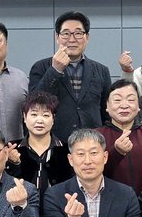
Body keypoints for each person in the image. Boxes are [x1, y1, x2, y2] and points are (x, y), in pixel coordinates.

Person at [28, 11, 111, 143]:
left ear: (87, 37)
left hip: (91, 143)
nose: (72, 40)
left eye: (78, 33)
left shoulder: (101, 71)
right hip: (55, 142)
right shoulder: (41, 67)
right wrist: (55, 70)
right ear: (57, 37)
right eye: (66, 33)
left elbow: (107, 112)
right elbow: (35, 104)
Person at [98, 80, 142, 194]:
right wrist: (116, 152)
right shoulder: (97, 137)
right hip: (111, 201)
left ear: (138, 106)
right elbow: (93, 174)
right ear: (107, 106)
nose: (124, 105)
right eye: (117, 100)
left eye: (131, 100)